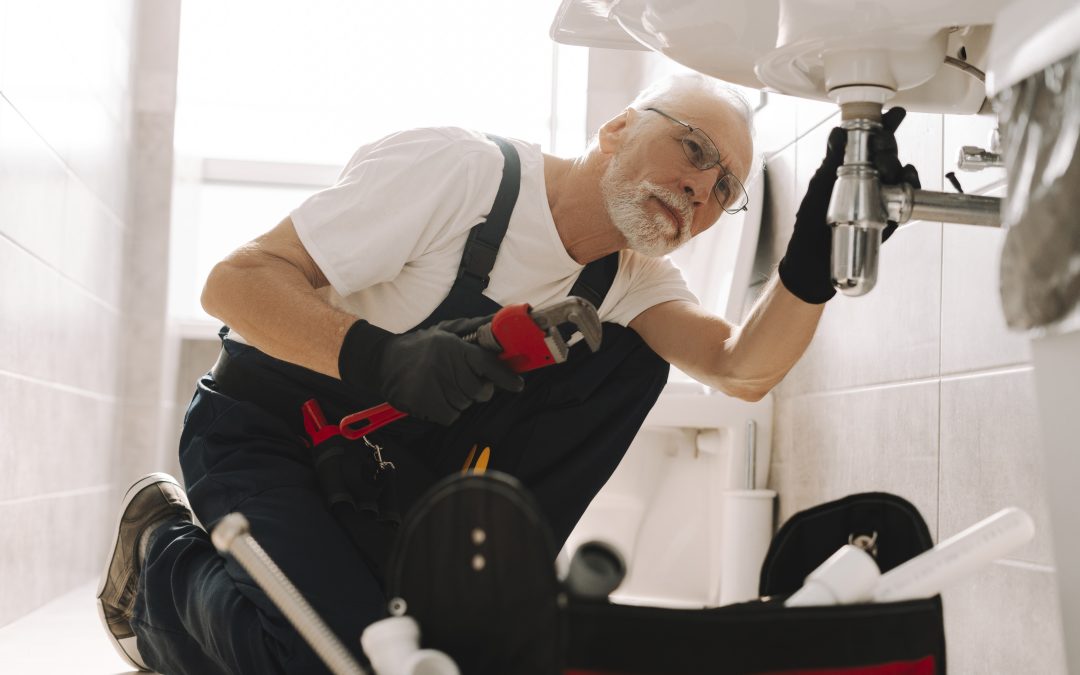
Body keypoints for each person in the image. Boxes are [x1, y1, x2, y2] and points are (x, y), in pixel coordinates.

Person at [96, 73, 917, 674]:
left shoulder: (632, 280)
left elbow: (741, 369)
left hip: (380, 466)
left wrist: (817, 257)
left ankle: (485, 574)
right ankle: (161, 566)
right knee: (335, 662)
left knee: (431, 653)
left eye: (722, 189)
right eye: (692, 149)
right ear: (619, 127)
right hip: (260, 433)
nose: (699, 188)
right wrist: (382, 357)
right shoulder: (462, 175)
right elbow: (234, 282)